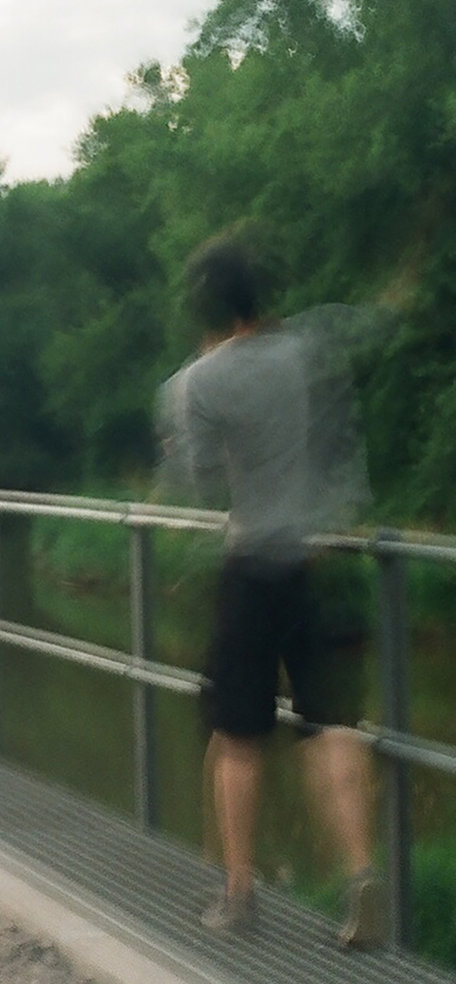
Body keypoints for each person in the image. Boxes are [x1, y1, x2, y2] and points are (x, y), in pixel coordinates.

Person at [160, 234, 386, 948]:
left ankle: (239, 893)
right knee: (333, 725)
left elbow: (202, 482)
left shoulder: (198, 382)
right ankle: (361, 875)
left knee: (238, 734)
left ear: (206, 307)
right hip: (325, 562)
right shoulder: (313, 351)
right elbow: (345, 452)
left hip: (253, 565)